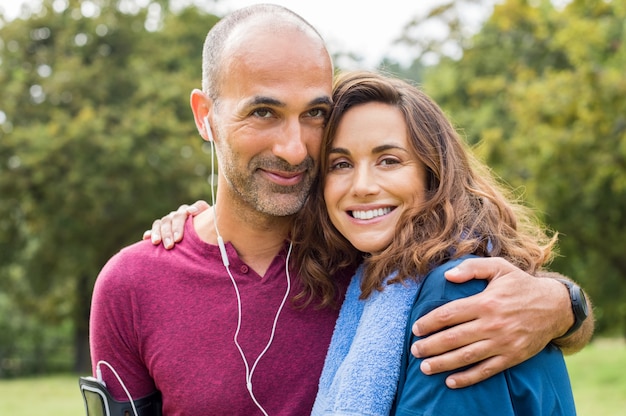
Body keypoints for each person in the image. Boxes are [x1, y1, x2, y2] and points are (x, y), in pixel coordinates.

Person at [91, 4, 592, 416]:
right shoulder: (132, 285)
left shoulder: (375, 257)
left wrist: (563, 304)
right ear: (206, 116)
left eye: (314, 114)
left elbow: (493, 294)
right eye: (263, 112)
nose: (292, 148)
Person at [298, 70, 575, 414]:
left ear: (433, 174)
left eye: (389, 160)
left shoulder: (458, 291)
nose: (362, 186)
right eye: (340, 164)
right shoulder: (365, 279)